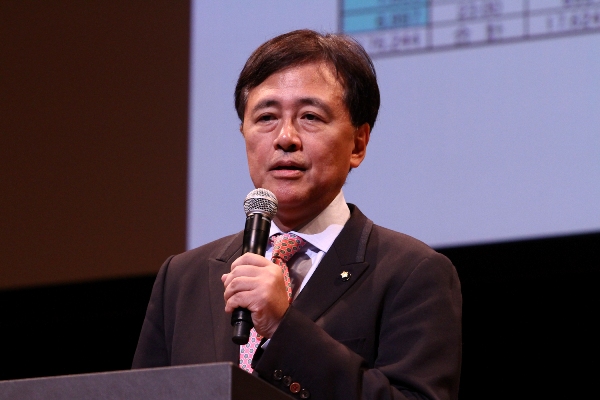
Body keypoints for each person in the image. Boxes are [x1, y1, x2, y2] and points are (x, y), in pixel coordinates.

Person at [132, 29, 462, 400]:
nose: (285, 137)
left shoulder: (412, 273)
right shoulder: (183, 278)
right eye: (266, 117)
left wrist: (284, 328)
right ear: (243, 133)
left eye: (310, 116)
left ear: (358, 143)